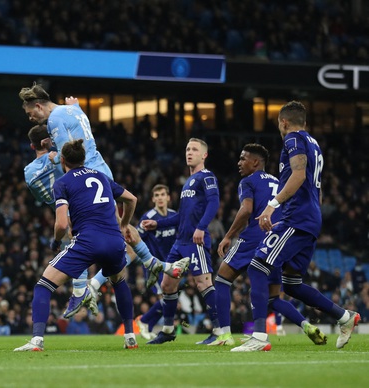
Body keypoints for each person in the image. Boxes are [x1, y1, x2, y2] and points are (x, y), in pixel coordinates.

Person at [19, 85, 184, 319]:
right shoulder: (73, 110)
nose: (31, 118)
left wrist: (60, 169)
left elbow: (68, 155)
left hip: (87, 177)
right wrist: (74, 106)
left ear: (38, 105)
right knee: (118, 228)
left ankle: (80, 290)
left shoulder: (54, 120)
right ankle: (154, 264)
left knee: (77, 230)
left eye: (30, 113)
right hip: (102, 171)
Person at [232, 101, 360, 352]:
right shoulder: (314, 144)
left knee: (257, 267)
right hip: (308, 218)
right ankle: (345, 317)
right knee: (291, 283)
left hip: (297, 218)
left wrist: (271, 206)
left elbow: (298, 176)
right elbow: (315, 189)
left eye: (279, 124)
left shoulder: (293, 139)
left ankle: (259, 337)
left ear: (284, 122)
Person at [14, 139, 144, 351]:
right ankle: (130, 336)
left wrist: (56, 241)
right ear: (83, 159)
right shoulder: (101, 176)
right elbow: (132, 199)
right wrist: (125, 224)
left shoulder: (63, 183)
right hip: (113, 240)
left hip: (87, 241)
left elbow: (62, 224)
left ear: (63, 160)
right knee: (119, 282)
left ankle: (37, 340)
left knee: (43, 285)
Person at [212, 143, 327, 346]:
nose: (239, 163)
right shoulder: (280, 181)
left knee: (222, 279)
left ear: (255, 162)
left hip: (253, 237)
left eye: (242, 158)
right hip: (275, 240)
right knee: (273, 297)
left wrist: (228, 235)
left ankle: (225, 335)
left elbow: (247, 210)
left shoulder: (248, 181)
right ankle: (306, 325)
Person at [141, 138, 221, 345]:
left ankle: (220, 332)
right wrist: (157, 225)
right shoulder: (187, 182)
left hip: (196, 242)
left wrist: (201, 228)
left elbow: (214, 202)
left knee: (203, 283)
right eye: (187, 149)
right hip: (180, 242)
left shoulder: (206, 176)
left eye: (194, 149)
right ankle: (167, 330)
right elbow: (181, 217)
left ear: (204, 155)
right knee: (167, 284)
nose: (189, 152)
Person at [135, 184, 178, 340]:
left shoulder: (174, 216)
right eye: (157, 195)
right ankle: (144, 320)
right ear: (153, 199)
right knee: (166, 298)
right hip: (155, 265)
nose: (160, 197)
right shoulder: (148, 218)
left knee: (169, 298)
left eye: (162, 194)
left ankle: (148, 326)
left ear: (168, 197)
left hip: (172, 264)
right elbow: (137, 240)